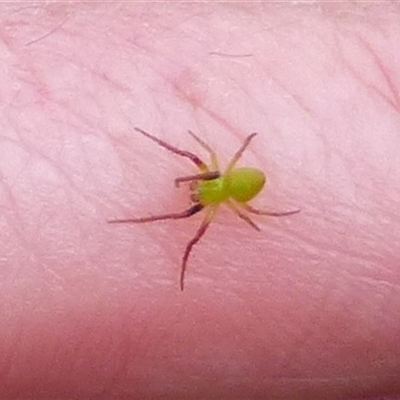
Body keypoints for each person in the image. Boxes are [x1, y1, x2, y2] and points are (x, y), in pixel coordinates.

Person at [1, 2, 399, 399]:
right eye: (199, 185)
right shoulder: (215, 174)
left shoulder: (219, 182)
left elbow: (231, 190)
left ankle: (151, 235)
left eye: (200, 185)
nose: (196, 190)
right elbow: (204, 162)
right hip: (234, 182)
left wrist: (260, 202)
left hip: (238, 184)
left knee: (189, 231)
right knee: (191, 183)